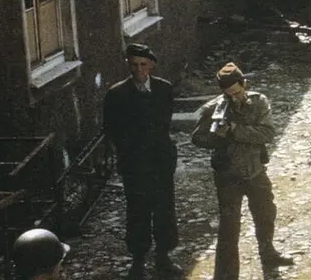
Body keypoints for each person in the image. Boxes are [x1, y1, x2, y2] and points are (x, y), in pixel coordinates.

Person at [191, 63, 293, 279]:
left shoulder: (258, 102)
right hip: (228, 175)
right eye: (229, 94)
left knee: (266, 214)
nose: (234, 98)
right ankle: (226, 275)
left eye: (237, 92)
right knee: (229, 227)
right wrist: (216, 137)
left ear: (244, 84)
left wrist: (235, 130)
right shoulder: (214, 108)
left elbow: (267, 133)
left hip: (255, 170)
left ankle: (268, 253)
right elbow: (198, 138)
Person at [102, 44, 180, 279]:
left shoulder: (164, 89)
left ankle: (163, 257)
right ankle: (138, 260)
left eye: (143, 64)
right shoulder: (117, 94)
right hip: (135, 165)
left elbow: (165, 123)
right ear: (128, 65)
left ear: (151, 65)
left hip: (161, 162)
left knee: (164, 209)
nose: (139, 70)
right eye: (134, 65)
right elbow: (112, 130)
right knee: (138, 212)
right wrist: (129, 154)